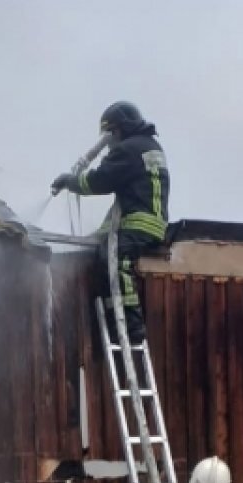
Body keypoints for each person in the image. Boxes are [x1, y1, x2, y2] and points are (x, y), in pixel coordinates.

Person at [51, 101, 170, 345]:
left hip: (138, 224)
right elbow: (127, 200)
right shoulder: (149, 146)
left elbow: (98, 181)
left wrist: (69, 181)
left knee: (114, 261)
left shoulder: (127, 150)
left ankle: (131, 325)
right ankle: (116, 317)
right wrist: (95, 236)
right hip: (149, 221)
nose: (109, 142)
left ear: (118, 130)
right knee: (102, 245)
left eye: (111, 134)